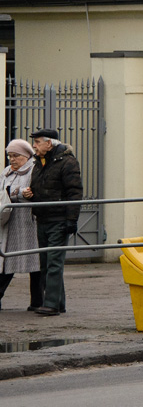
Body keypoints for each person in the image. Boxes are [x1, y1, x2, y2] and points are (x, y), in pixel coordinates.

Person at [23, 128, 82, 316]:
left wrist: (71, 220)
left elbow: (74, 193)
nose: (34, 145)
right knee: (46, 262)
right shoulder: (40, 162)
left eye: (38, 142)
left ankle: (51, 304)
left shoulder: (67, 162)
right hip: (43, 218)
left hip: (58, 219)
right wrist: (30, 195)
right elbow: (40, 187)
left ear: (49, 143)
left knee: (54, 262)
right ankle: (59, 303)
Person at [0, 139, 42, 311]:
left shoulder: (34, 170)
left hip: (28, 223)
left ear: (25, 156)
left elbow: (38, 192)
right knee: (6, 259)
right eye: (10, 156)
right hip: (8, 223)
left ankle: (37, 301)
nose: (12, 159)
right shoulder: (6, 172)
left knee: (35, 262)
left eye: (16, 156)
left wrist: (25, 194)